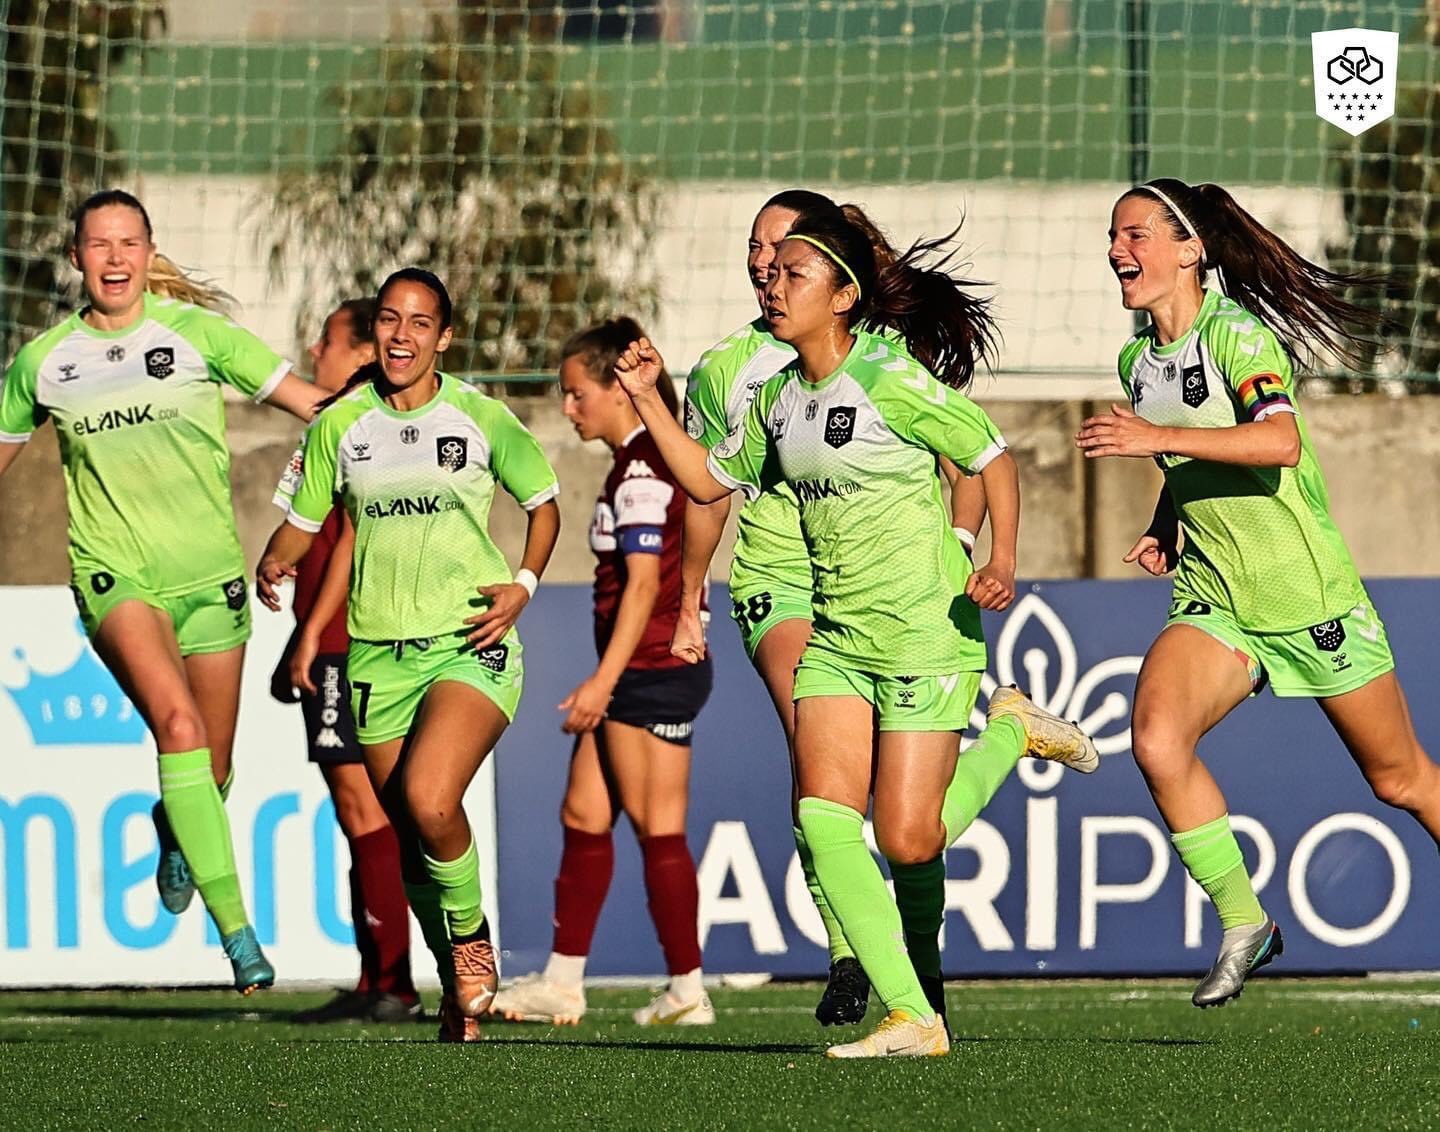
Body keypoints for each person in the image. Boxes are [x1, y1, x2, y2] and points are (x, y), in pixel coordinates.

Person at [612, 198, 1098, 1058]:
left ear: (841, 296)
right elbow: (705, 479)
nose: (773, 281)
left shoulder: (891, 377)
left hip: (922, 633)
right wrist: (651, 398)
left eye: (793, 271)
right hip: (835, 635)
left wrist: (998, 558)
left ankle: (1010, 732)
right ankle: (914, 1016)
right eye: (769, 267)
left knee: (909, 836)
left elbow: (991, 458)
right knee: (827, 814)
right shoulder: (775, 398)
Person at [1077, 178, 1440, 1007]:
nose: (1117, 249)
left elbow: (1277, 442)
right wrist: (1167, 517)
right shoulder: (1139, 361)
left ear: (1190, 249)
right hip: (1217, 600)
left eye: (1136, 233)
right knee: (1157, 741)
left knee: (1402, 781)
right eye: (1112, 234)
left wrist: (1153, 439)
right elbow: (1195, 455)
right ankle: (1245, 921)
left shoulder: (1237, 337)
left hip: (1305, 597)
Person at [669, 190, 989, 1028]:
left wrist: (962, 545)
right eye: (755, 249)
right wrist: (688, 595)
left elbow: (970, 460)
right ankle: (851, 949)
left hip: (885, 584)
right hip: (780, 578)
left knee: (906, 820)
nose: (764, 264)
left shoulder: (880, 358)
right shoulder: (726, 370)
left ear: (834, 274)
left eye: (784, 250)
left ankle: (919, 962)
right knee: (822, 776)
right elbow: (709, 489)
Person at [0, 189, 325, 992]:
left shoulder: (198, 335)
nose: (114, 259)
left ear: (149, 254)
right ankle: (239, 935)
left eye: (128, 243)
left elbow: (318, 411)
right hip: (117, 579)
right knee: (176, 728)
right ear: (75, 259)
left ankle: (178, 828)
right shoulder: (44, 363)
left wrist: (389, 421)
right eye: (98, 245)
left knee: (210, 770)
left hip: (210, 578)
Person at [256, 267, 561, 1043]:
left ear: (445, 337)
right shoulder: (339, 424)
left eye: (420, 323)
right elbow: (306, 516)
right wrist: (275, 560)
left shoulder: (480, 417)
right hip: (376, 660)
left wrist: (523, 585)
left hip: (469, 644)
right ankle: (460, 996)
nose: (402, 335)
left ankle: (470, 944)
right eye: (390, 320)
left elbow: (543, 506)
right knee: (411, 837)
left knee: (430, 799)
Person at [491, 318, 715, 1027]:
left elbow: (645, 585)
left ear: (618, 389)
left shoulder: (646, 464)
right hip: (636, 667)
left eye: (575, 391)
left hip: (648, 669)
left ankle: (688, 989)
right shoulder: (635, 458)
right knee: (584, 813)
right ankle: (563, 980)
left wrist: (602, 682)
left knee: (659, 828)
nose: (568, 406)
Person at [268, 300, 421, 1023]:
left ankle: (393, 981)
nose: (312, 349)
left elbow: (353, 536)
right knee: (367, 808)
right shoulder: (345, 420)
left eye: (326, 339)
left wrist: (311, 633)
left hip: (343, 644)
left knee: (368, 809)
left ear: (359, 349)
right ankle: (378, 977)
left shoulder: (354, 424)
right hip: (335, 638)